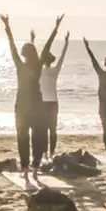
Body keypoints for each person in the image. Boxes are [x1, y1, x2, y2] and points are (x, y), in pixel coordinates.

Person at [2, 14, 61, 176]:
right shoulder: (38, 65)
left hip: (22, 105)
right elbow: (47, 47)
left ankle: (26, 168)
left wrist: (7, 27)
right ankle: (34, 168)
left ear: (23, 54)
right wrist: (56, 28)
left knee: (23, 138)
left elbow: (12, 47)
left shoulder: (21, 66)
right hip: (37, 105)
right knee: (38, 137)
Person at [83, 37, 106, 157]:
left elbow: (93, 60)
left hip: (104, 104)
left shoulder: (102, 74)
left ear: (105, 64)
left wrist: (88, 48)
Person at [37, 32, 69, 160]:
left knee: (44, 129)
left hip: (43, 103)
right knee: (53, 129)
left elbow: (36, 58)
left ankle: (45, 153)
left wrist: (32, 40)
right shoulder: (55, 70)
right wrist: (66, 43)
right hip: (53, 102)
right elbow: (62, 57)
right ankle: (51, 153)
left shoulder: (39, 70)